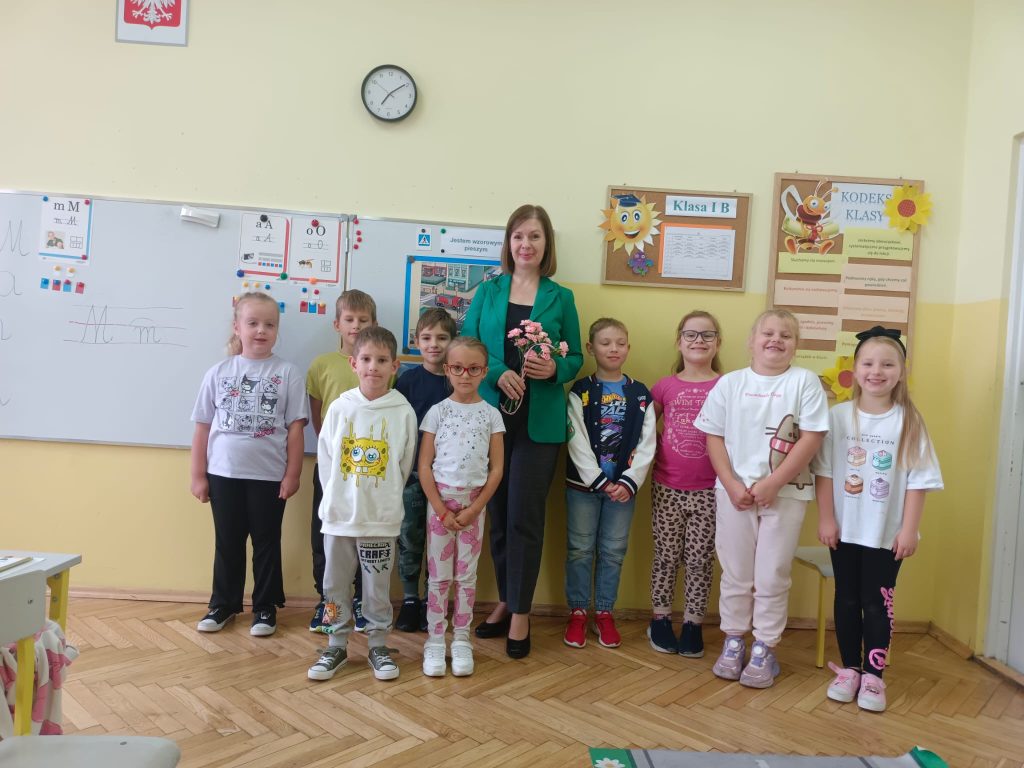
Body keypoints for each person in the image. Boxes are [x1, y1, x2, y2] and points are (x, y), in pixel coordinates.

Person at [461, 203, 583, 659]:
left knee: (524, 517)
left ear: (546, 243)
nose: (525, 244)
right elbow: (467, 344)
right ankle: (508, 599)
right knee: (496, 514)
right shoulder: (489, 290)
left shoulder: (561, 297)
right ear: (508, 243)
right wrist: (495, 373)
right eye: (518, 236)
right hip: (490, 420)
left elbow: (576, 358)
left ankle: (521, 612)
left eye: (534, 236)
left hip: (539, 423)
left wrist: (554, 368)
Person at [694, 309, 828, 688]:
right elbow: (713, 436)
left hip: (786, 493)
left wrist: (773, 483)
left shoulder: (804, 382)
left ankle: (764, 646)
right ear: (751, 341)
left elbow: (812, 437)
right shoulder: (730, 384)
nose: (776, 340)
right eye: (768, 333)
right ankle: (734, 640)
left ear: (796, 345)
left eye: (786, 335)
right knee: (736, 573)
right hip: (734, 494)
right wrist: (731, 484)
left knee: (772, 574)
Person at [814, 326, 942, 712]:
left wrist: (909, 529)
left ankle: (873, 677)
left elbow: (919, 480)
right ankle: (850, 670)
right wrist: (826, 519)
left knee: (876, 602)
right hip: (844, 530)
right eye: (868, 363)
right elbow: (825, 472)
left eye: (887, 364)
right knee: (846, 598)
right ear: (854, 370)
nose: (876, 371)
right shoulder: (838, 417)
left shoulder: (910, 421)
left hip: (887, 535)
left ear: (901, 372)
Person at [190, 291, 308, 637]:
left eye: (269, 324)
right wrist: (198, 475)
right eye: (253, 323)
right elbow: (202, 427)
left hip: (269, 475)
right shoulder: (219, 372)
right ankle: (223, 604)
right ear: (237, 327)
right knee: (227, 541)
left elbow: (296, 428)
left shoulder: (288, 373)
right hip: (223, 474)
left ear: (277, 330)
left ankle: (265, 607)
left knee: (266, 542)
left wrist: (293, 474)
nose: (261, 330)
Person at [306, 327, 418, 682]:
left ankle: (378, 645)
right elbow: (326, 460)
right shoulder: (340, 408)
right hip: (339, 518)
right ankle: (335, 643)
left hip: (380, 520)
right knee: (334, 586)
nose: (374, 367)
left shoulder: (403, 412)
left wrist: (384, 500)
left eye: (382, 360)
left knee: (376, 588)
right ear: (354, 364)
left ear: (395, 366)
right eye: (366, 359)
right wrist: (337, 501)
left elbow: (403, 465)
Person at [563, 318, 656, 649]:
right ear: (591, 348)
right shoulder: (581, 391)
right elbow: (575, 438)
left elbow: (648, 442)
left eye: (620, 343)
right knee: (580, 549)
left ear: (629, 348)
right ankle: (577, 612)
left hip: (623, 491)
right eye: (605, 343)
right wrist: (600, 480)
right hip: (584, 488)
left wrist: (628, 481)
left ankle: (604, 612)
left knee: (614, 550)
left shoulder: (640, 394)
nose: (613, 349)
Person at [418, 337, 505, 676]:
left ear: (484, 372)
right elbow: (425, 466)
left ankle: (462, 639)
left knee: (466, 577)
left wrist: (474, 509)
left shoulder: (492, 416)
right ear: (447, 370)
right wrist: (441, 509)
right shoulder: (437, 412)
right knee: (439, 577)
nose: (465, 375)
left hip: (473, 507)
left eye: (473, 369)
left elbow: (496, 469)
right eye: (457, 368)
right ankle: (435, 639)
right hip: (440, 506)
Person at [647, 311, 723, 658]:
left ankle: (693, 623)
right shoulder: (665, 386)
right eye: (691, 334)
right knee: (665, 556)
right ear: (679, 341)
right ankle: (660, 619)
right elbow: (644, 430)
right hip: (667, 487)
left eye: (707, 335)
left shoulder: (727, 386)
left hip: (710, 489)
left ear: (718, 343)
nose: (698, 341)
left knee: (699, 559)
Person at [306, 289, 376, 633]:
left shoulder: (379, 367)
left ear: (373, 324)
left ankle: (362, 600)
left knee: (366, 536)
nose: (356, 325)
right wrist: (331, 455)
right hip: (330, 468)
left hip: (368, 470)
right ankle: (328, 603)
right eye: (349, 319)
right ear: (337, 324)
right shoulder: (321, 365)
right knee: (326, 536)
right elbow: (317, 416)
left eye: (363, 320)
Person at [394, 307, 457, 633]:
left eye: (442, 338)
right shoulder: (407, 381)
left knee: (440, 541)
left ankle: (435, 599)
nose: (434, 344)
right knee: (410, 537)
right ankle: (409, 600)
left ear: (452, 342)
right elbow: (398, 428)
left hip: (447, 478)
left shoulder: (457, 381)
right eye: (427, 337)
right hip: (412, 477)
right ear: (416, 341)